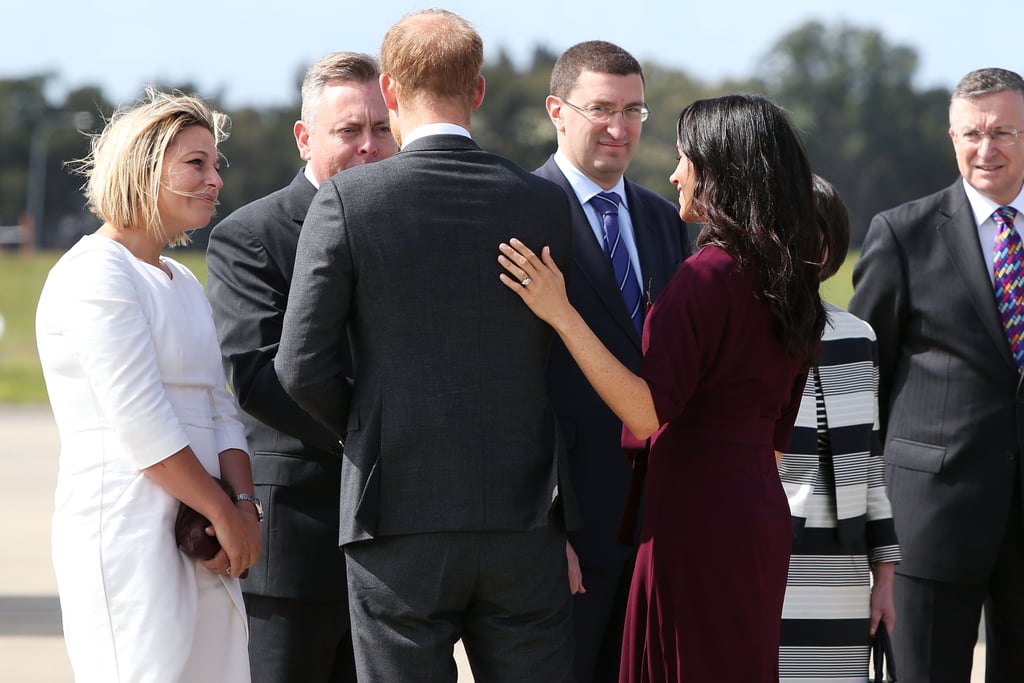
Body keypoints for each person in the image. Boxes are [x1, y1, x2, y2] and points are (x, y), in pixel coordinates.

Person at [276, 10, 577, 682]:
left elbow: (299, 365)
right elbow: (567, 361)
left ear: (389, 90)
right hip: (523, 517)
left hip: (394, 516)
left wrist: (368, 429)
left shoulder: (349, 201)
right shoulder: (541, 203)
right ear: (478, 90)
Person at [499, 92, 826, 682]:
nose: (674, 174)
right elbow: (777, 436)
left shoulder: (707, 275)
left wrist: (561, 312)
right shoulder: (785, 279)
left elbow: (648, 415)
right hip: (756, 516)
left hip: (693, 523)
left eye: (685, 159)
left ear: (722, 171)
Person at [35, 89, 262, 683]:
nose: (214, 179)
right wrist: (224, 511)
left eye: (216, 165)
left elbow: (219, 405)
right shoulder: (93, 273)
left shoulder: (183, 280)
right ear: (143, 165)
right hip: (127, 527)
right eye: (196, 163)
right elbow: (140, 420)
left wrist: (242, 507)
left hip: (203, 531)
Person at [205, 52, 397, 683]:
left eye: (382, 127)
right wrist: (384, 435)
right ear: (305, 136)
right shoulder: (250, 235)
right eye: (349, 131)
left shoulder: (410, 227)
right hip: (298, 550)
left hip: (403, 549)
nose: (369, 146)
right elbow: (260, 377)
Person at [849, 67, 1024, 683]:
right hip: (931, 520)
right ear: (951, 138)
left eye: (1003, 131)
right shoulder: (901, 234)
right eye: (972, 133)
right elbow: (863, 384)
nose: (987, 148)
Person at [535, 40, 690, 682]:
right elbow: (509, 385)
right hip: (566, 531)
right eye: (601, 108)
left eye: (634, 111)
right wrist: (544, 531)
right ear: (557, 111)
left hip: (658, 529)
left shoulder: (662, 218)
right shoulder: (521, 212)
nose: (619, 128)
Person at [777, 175, 900, 683]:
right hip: (768, 559)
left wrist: (885, 576)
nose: (809, 246)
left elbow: (870, 461)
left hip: (844, 573)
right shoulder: (746, 333)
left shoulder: (857, 336)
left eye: (819, 232)